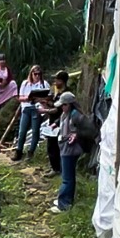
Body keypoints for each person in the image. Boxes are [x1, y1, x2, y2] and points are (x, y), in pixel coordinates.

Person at [51, 84, 93, 214]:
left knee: (67, 178)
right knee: (67, 175)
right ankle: (66, 200)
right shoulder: (66, 113)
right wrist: (56, 124)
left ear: (70, 105)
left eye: (64, 105)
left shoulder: (76, 115)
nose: (62, 107)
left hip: (70, 149)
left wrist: (76, 135)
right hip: (64, 147)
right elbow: (62, 120)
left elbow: (89, 129)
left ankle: (64, 204)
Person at [12, 65, 50, 161]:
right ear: (31, 74)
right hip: (26, 107)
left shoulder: (44, 84)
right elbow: (20, 97)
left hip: (37, 108)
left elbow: (49, 97)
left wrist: (41, 99)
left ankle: (31, 152)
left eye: (39, 74)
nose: (37, 76)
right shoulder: (25, 83)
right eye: (35, 74)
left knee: (35, 131)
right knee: (22, 131)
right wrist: (28, 98)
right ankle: (19, 151)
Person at [40, 70, 66, 176]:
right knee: (51, 145)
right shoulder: (57, 92)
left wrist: (44, 110)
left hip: (59, 122)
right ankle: (54, 167)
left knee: (54, 146)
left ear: (62, 81)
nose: (55, 82)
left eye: (57, 80)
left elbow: (57, 109)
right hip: (53, 121)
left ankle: (56, 169)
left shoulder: (64, 94)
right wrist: (46, 103)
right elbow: (54, 105)